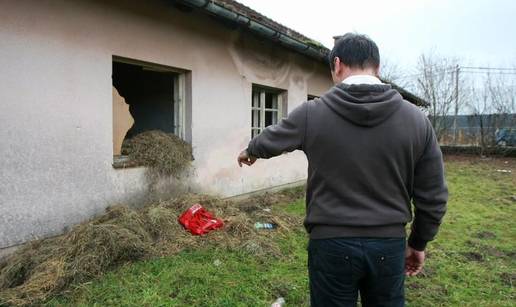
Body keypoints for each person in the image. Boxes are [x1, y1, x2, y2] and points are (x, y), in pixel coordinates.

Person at [237, 33, 448, 306]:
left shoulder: (312, 113)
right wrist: (418, 243)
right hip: (388, 245)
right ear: (378, 68)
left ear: (337, 65)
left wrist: (251, 150)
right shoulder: (416, 120)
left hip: (331, 244)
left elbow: (275, 136)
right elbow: (433, 198)